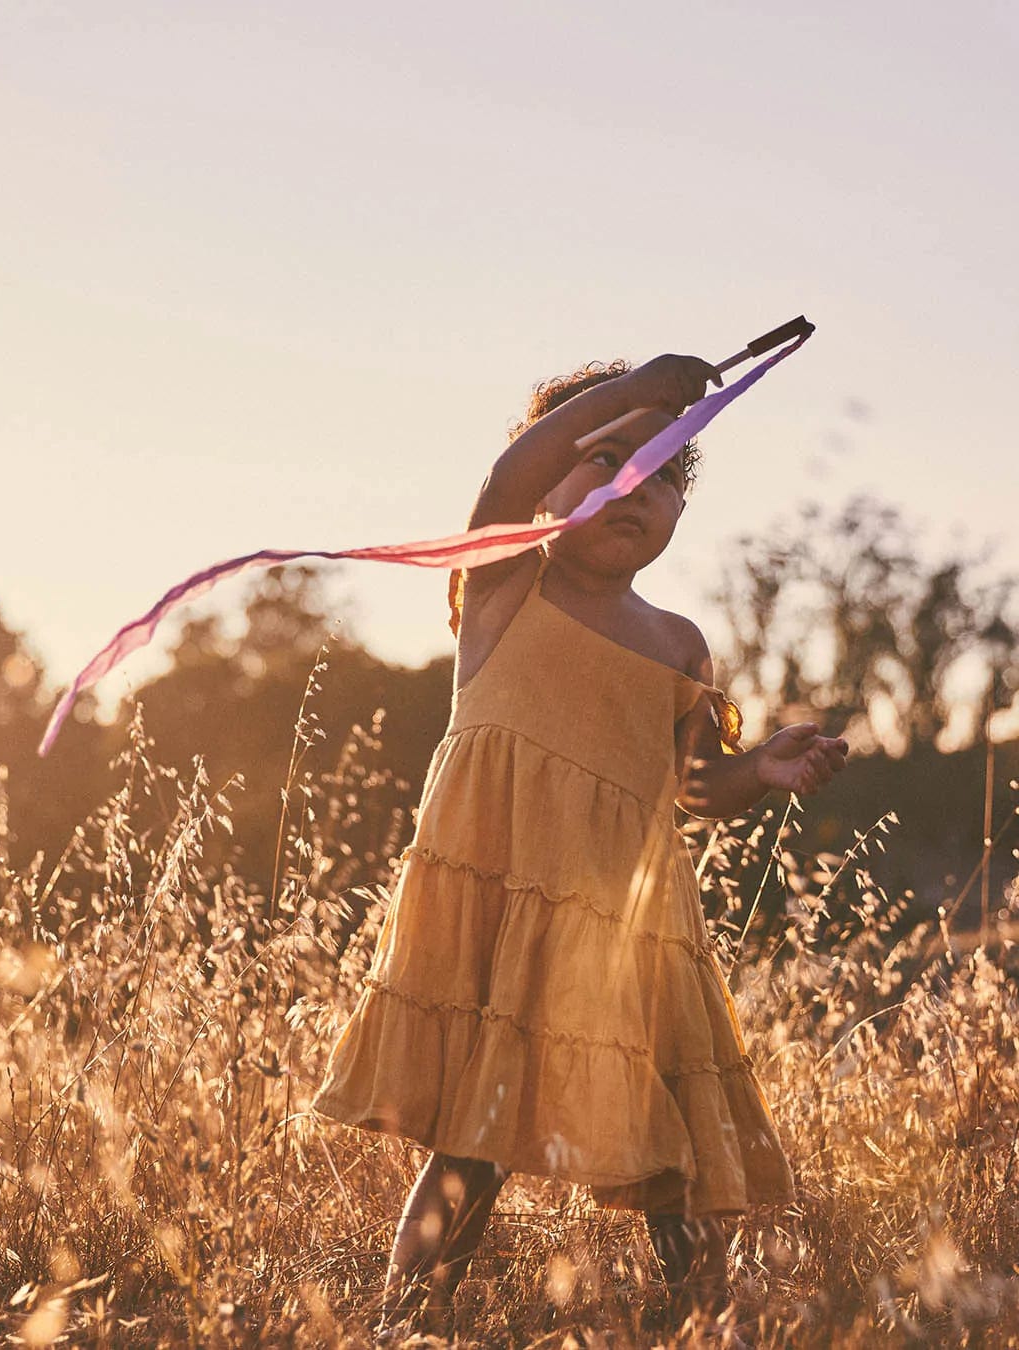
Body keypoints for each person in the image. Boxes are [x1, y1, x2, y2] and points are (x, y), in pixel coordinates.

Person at [312, 352, 849, 1340]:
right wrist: (635, 389)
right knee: (475, 1142)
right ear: (550, 474)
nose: (630, 486)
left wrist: (760, 769)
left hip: (631, 931)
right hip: (507, 894)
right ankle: (407, 1321)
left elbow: (691, 789)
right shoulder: (509, 580)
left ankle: (692, 1321)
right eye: (602, 460)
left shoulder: (678, 641)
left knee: (677, 1151)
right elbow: (507, 480)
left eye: (663, 470)